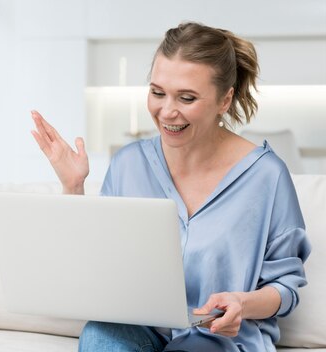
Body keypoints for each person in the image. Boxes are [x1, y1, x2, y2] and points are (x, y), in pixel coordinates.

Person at [30, 22, 310, 352]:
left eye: (187, 98)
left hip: (218, 340)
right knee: (100, 334)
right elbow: (100, 267)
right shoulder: (129, 164)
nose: (167, 111)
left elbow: (286, 288)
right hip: (142, 331)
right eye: (157, 92)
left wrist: (242, 303)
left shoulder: (266, 175)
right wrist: (73, 187)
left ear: (225, 100)